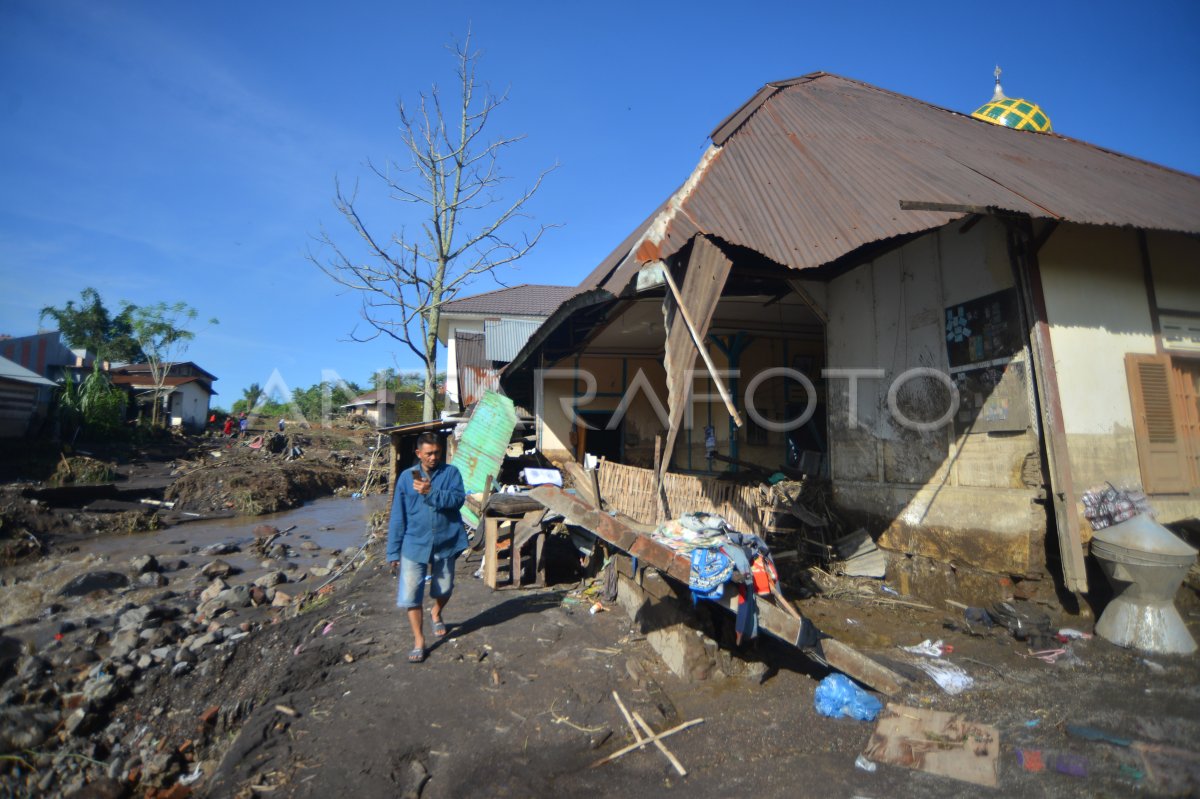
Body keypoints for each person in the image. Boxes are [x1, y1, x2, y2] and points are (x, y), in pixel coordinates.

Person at [386, 432, 466, 664]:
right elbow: (397, 516)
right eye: (429, 453)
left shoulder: (451, 473)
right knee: (411, 595)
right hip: (414, 543)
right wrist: (393, 551)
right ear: (418, 453)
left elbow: (457, 500)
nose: (433, 457)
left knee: (445, 588)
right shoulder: (405, 479)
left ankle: (436, 611)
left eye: (437, 452)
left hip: (445, 541)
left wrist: (432, 492)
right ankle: (419, 640)